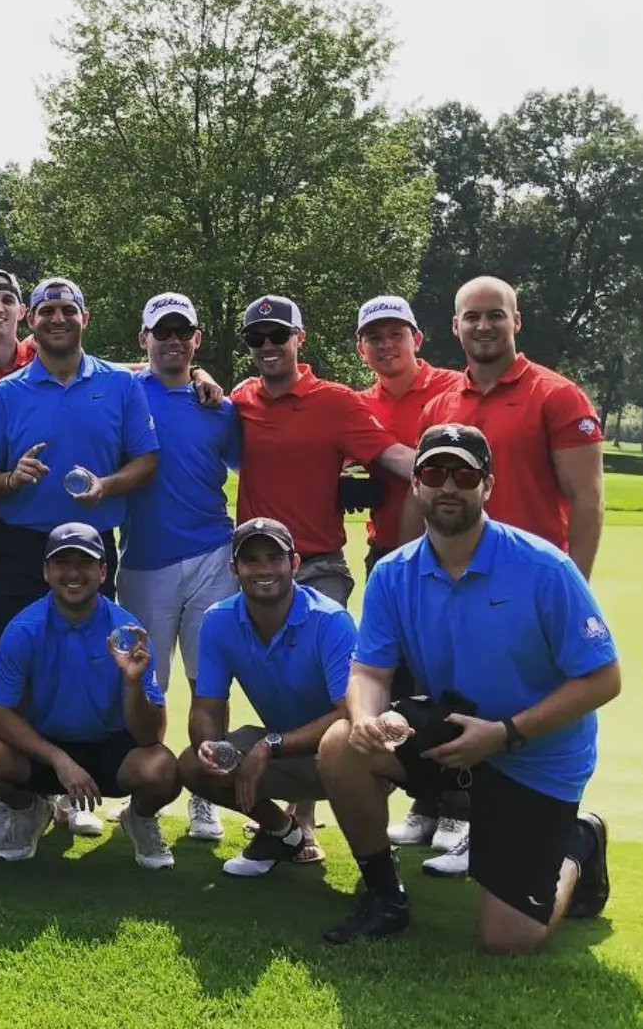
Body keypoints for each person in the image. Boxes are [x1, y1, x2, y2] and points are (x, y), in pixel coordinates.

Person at [317, 424, 616, 951]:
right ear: (415, 485)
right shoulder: (392, 573)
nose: (448, 485)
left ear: (488, 485)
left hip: (534, 757)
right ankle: (385, 896)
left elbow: (603, 678)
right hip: (454, 734)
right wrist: (364, 717)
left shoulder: (545, 568)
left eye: (464, 474)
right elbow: (369, 671)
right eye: (434, 472)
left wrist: (505, 733)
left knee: (509, 939)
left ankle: (578, 842)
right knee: (341, 744)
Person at [0, 522, 180, 866]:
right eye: (62, 563)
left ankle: (138, 818)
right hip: (43, 748)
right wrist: (59, 760)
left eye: (85, 563)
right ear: (46, 571)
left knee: (163, 770)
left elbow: (151, 735)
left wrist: (133, 683)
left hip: (108, 747)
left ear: (103, 571)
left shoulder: (127, 632)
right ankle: (29, 809)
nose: (73, 573)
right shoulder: (24, 628)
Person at [116, 293, 242, 845]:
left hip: (213, 553)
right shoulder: (122, 392)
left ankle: (203, 794)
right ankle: (146, 800)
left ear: (196, 339)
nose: (172, 340)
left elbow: (241, 460)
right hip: (144, 560)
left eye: (182, 331)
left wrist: (209, 381)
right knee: (149, 682)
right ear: (143, 338)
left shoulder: (220, 405)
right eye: (160, 331)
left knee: (206, 683)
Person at [0, 277, 160, 640]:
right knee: (20, 664)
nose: (58, 319)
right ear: (31, 321)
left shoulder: (120, 384)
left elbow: (146, 460)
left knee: (92, 660)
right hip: (22, 549)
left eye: (68, 310)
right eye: (47, 311)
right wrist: (10, 479)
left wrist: (106, 485)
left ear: (85, 317)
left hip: (92, 547)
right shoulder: (5, 394)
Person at [353, 294, 469, 862]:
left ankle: (460, 808)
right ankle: (424, 801)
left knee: (454, 683)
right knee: (400, 687)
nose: (385, 344)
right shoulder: (357, 405)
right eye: (374, 336)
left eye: (395, 333)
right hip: (388, 558)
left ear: (417, 338)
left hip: (453, 559)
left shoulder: (452, 391)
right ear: (361, 348)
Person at [176, 518, 354, 875]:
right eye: (251, 560)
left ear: (295, 563)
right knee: (193, 765)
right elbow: (207, 706)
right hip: (281, 753)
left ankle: (377, 861)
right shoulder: (218, 620)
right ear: (234, 569)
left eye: (274, 557)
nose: (263, 570)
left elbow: (349, 713)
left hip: (341, 754)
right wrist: (210, 746)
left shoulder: (331, 620)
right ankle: (282, 834)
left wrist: (270, 744)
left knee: (359, 750)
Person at [412, 276, 604, 576]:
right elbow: (424, 499)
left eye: (495, 315)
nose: (483, 326)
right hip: (455, 578)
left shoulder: (558, 396)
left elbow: (587, 499)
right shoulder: (438, 408)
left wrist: (574, 587)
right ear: (455, 325)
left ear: (516, 321)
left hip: (533, 576)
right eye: (472, 317)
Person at [232, 295, 414, 607]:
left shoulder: (335, 401)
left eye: (278, 336)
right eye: (255, 338)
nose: (267, 346)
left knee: (322, 656)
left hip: (319, 568)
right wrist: (198, 374)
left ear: (299, 337)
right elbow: (163, 373)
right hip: (255, 566)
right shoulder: (240, 399)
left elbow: (394, 456)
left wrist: (455, 470)